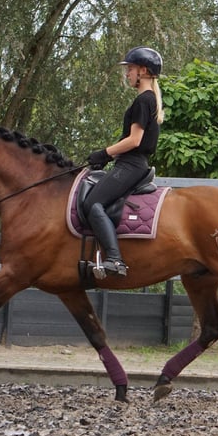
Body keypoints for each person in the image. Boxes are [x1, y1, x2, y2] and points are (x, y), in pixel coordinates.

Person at [84, 46, 164, 276]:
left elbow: (135, 140)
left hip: (131, 164)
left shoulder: (143, 101)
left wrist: (104, 153)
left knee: (92, 204)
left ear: (143, 71)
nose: (127, 74)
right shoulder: (149, 100)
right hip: (131, 163)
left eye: (130, 69)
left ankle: (115, 260)